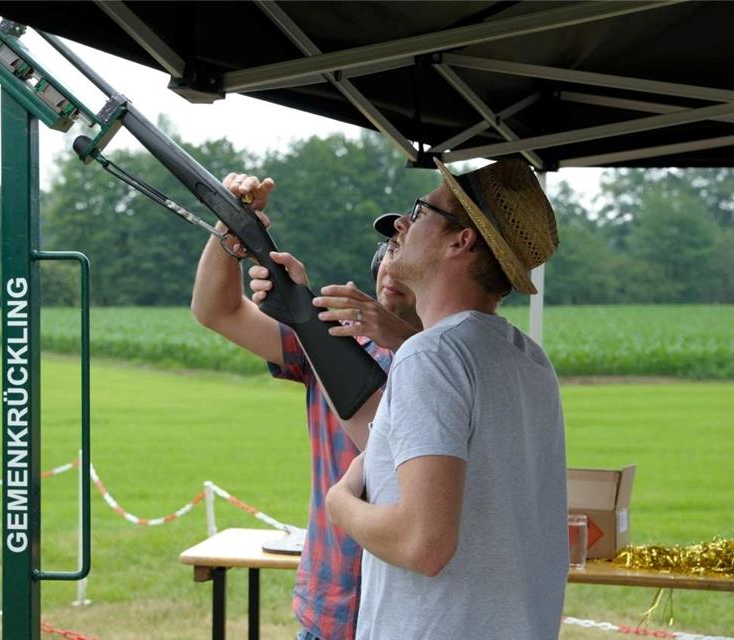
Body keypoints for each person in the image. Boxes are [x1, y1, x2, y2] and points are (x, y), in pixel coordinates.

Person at [322, 158, 568, 639]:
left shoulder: (430, 355)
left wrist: (339, 503)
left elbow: (424, 544)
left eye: (422, 209)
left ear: (463, 239)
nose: (402, 223)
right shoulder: (528, 359)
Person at [191, 172, 422, 640]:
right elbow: (218, 311)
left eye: (409, 253)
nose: (392, 266)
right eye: (391, 252)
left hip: (415, 614)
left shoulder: (461, 363)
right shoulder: (333, 339)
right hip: (333, 608)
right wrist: (232, 230)